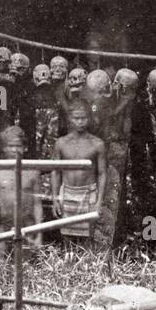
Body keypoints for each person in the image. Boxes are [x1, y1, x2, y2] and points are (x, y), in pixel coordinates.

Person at [51, 103, 106, 240]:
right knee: (66, 238)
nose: (80, 122)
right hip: (67, 193)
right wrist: (55, 199)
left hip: (88, 194)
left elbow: (102, 173)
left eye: (83, 118)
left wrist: (99, 202)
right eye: (76, 118)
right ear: (70, 118)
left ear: (89, 118)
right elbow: (55, 172)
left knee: (88, 239)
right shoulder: (61, 143)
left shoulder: (97, 144)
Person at [0, 126, 46, 248]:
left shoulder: (32, 172)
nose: (14, 150)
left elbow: (37, 204)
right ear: (4, 148)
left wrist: (39, 235)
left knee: (26, 261)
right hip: (2, 223)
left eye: (18, 146)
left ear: (24, 148)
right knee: (0, 260)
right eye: (10, 146)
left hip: (27, 224)